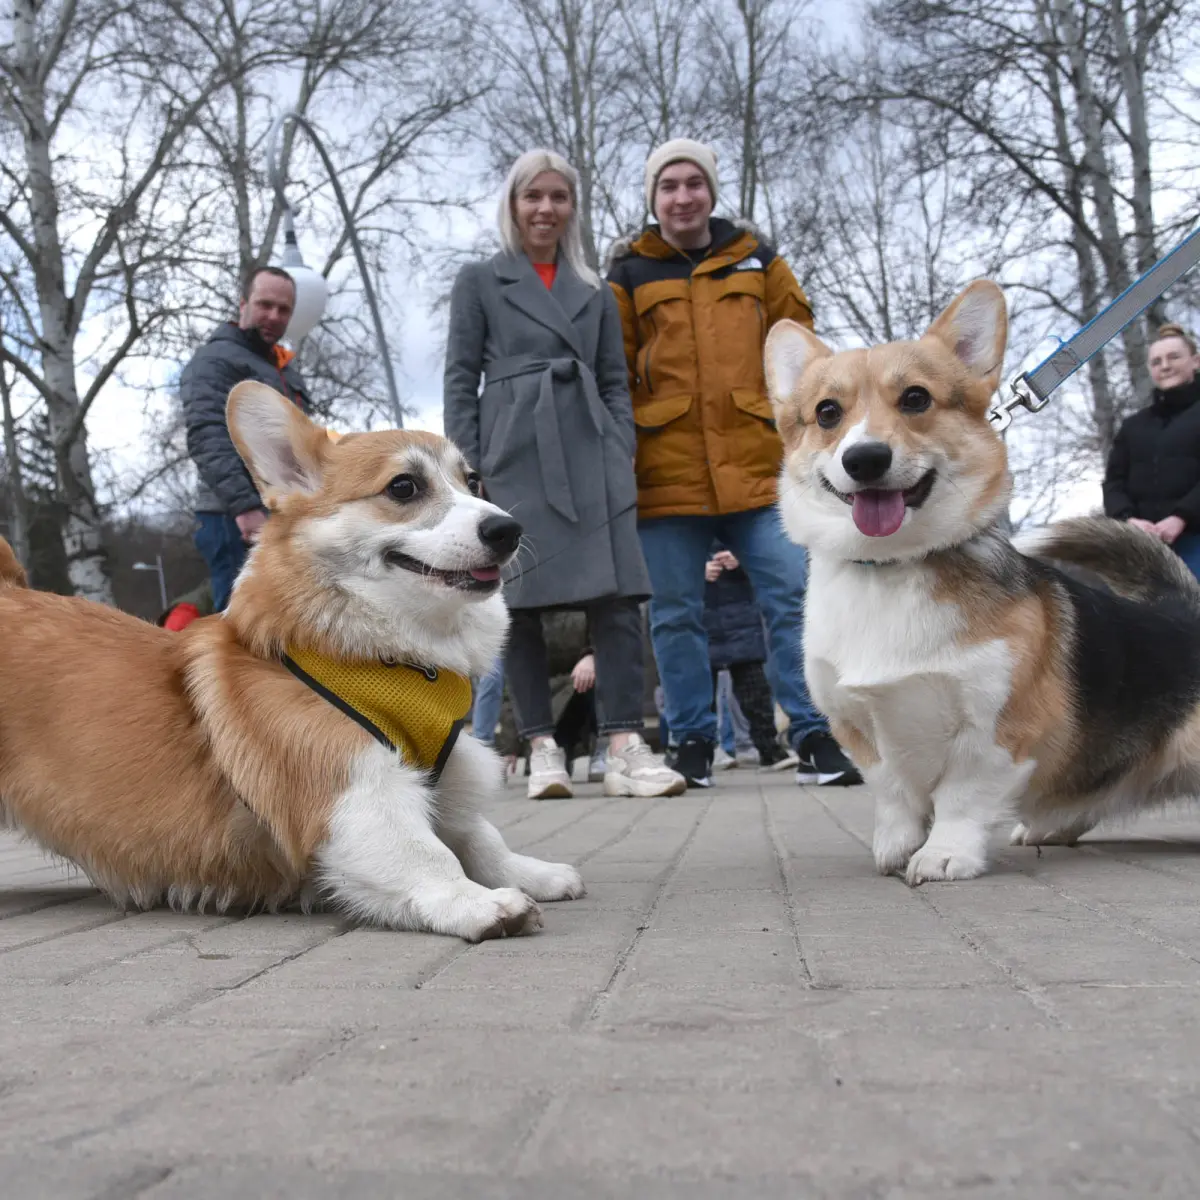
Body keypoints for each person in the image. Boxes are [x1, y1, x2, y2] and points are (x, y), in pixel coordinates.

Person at [606, 137, 861, 789]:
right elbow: (612, 369)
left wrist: (812, 438)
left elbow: (807, 355)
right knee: (675, 613)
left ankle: (812, 732)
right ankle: (691, 740)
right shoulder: (629, 271)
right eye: (668, 186)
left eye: (694, 183)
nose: (682, 195)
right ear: (653, 198)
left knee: (792, 597)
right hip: (665, 472)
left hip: (758, 466)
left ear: (712, 192)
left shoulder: (757, 260)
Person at [443, 149, 685, 801]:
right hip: (513, 452)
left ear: (573, 207)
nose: (545, 209)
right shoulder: (480, 281)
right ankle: (541, 747)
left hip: (592, 449)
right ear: (513, 205)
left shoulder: (595, 291)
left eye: (558, 197)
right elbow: (461, 378)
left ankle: (624, 742)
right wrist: (470, 464)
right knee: (518, 600)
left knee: (618, 598)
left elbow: (612, 378)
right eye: (533, 197)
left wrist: (619, 447)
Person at [180, 267, 312, 610]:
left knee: (282, 619)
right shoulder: (215, 360)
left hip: (283, 510)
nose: (273, 316)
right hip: (234, 517)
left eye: (283, 309)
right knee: (243, 620)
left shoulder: (284, 370)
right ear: (243, 304)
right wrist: (244, 506)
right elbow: (207, 435)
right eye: (264, 304)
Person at [1104, 322, 1200, 577]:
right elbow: (1114, 483)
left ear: (1196, 361)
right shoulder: (1133, 426)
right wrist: (1128, 520)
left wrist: (1181, 517)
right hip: (1144, 549)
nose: (1165, 366)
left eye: (1174, 357)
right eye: (1156, 361)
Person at [704, 548, 790, 769]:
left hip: (742, 618)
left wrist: (740, 559)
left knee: (755, 691)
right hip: (702, 616)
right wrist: (697, 569)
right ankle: (705, 748)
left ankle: (768, 747)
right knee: (703, 691)